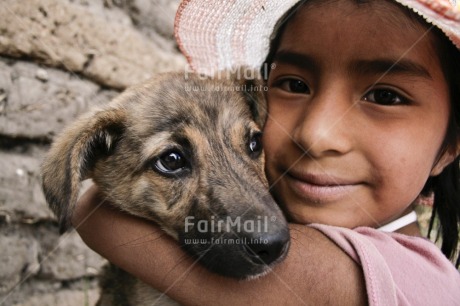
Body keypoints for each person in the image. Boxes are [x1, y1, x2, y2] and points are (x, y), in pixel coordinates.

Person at [73, 0, 460, 305]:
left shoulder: (425, 287)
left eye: (385, 96)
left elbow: (93, 214)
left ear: (449, 147)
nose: (316, 134)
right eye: (294, 84)